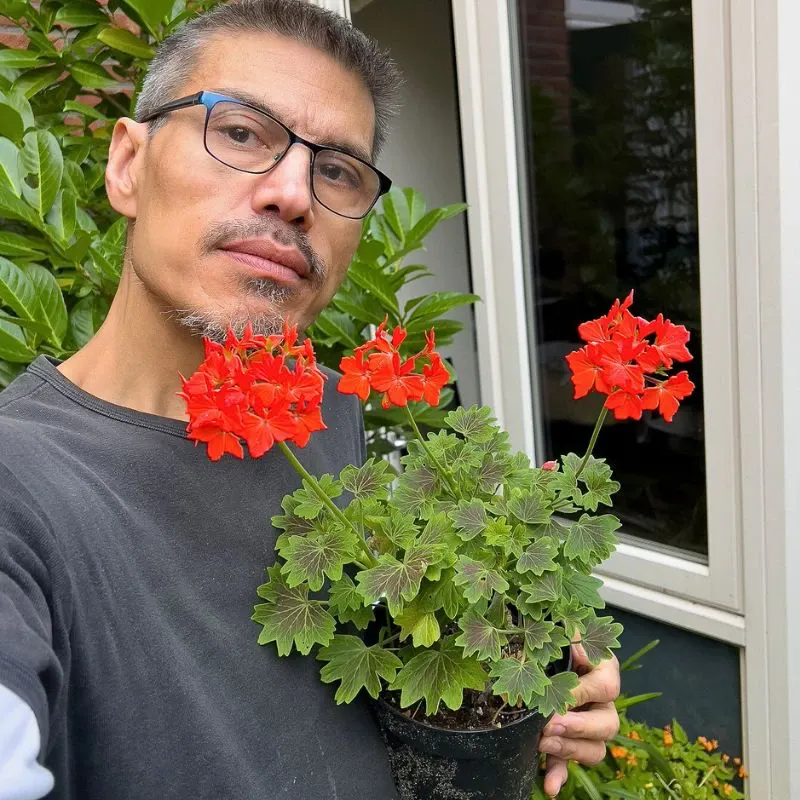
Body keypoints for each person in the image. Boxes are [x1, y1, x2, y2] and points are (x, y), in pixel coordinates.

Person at [0, 1, 620, 798]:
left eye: (337, 171)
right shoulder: (18, 486)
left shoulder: (328, 409)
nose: (293, 194)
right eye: (242, 132)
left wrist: (517, 686)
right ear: (127, 164)